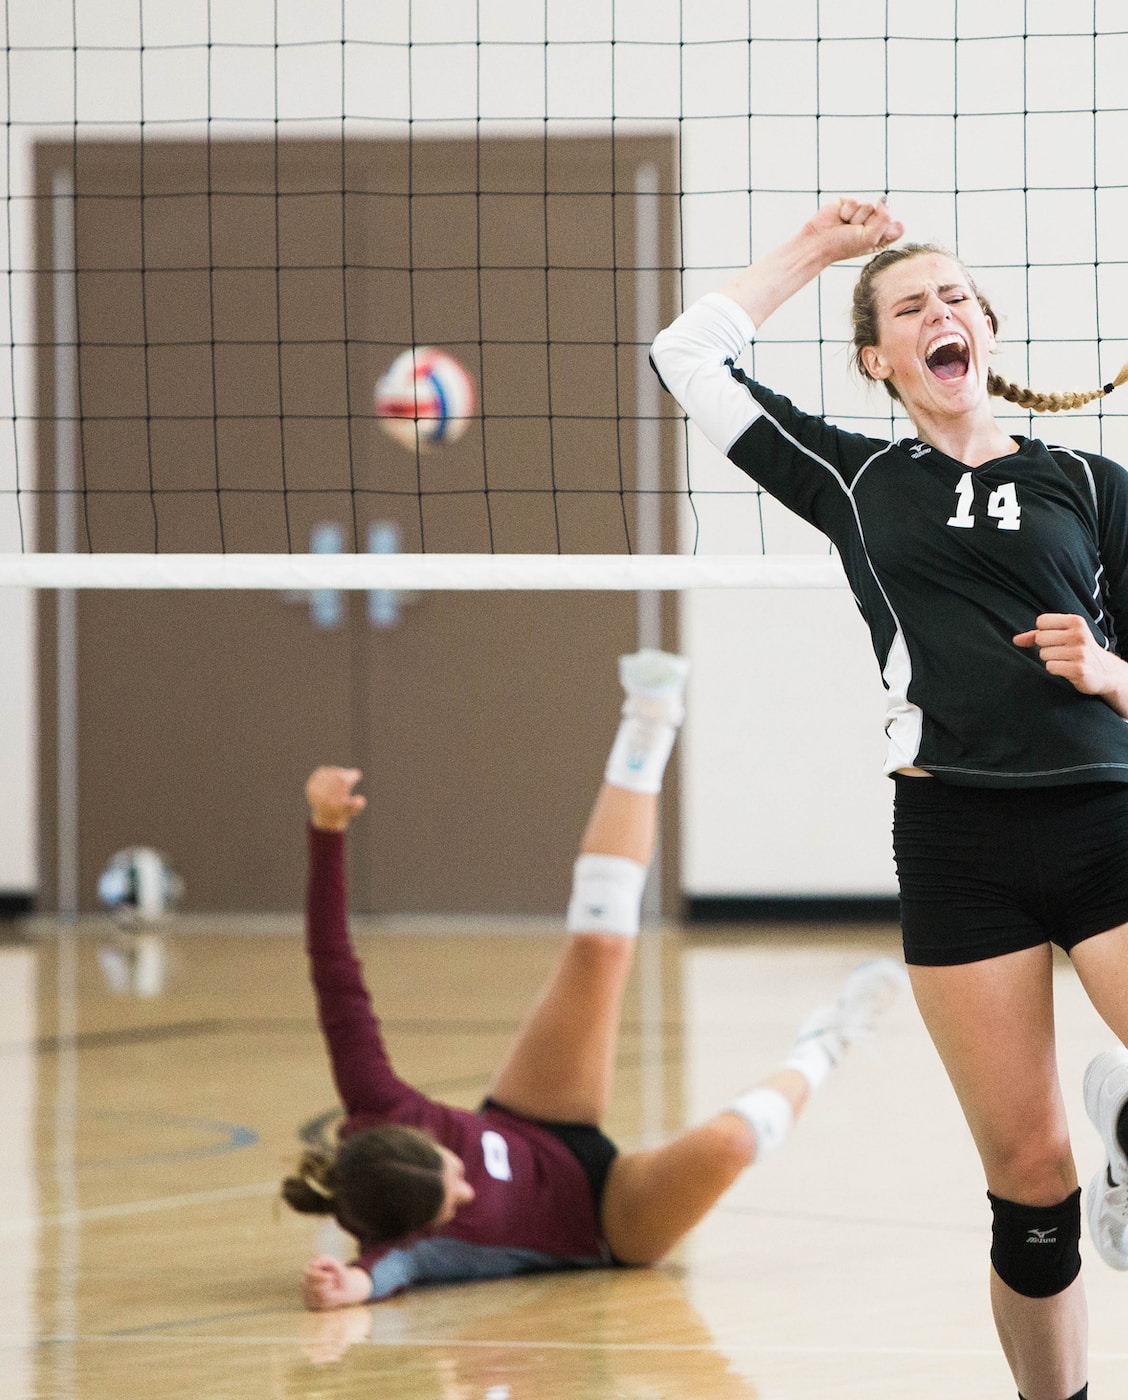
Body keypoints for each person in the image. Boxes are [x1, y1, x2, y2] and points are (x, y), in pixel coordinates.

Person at [649, 197, 1128, 1400]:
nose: (939, 314)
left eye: (957, 297)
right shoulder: (855, 478)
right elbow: (686, 358)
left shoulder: (1087, 480)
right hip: (957, 841)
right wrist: (816, 252)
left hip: (1105, 817)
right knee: (1027, 1182)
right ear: (878, 357)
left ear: (990, 333)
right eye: (910, 307)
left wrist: (1116, 673)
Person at [282, 648, 905, 1310]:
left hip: (535, 1119)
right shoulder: (413, 1246)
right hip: (608, 1220)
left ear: (408, 1138)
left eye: (453, 1174)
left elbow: (333, 972)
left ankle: (650, 718)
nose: (466, 1191)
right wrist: (346, 1285)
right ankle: (827, 1043)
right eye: (453, 1203)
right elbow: (382, 1272)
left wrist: (325, 832)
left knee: (601, 945)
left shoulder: (377, 1099)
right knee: (727, 1144)